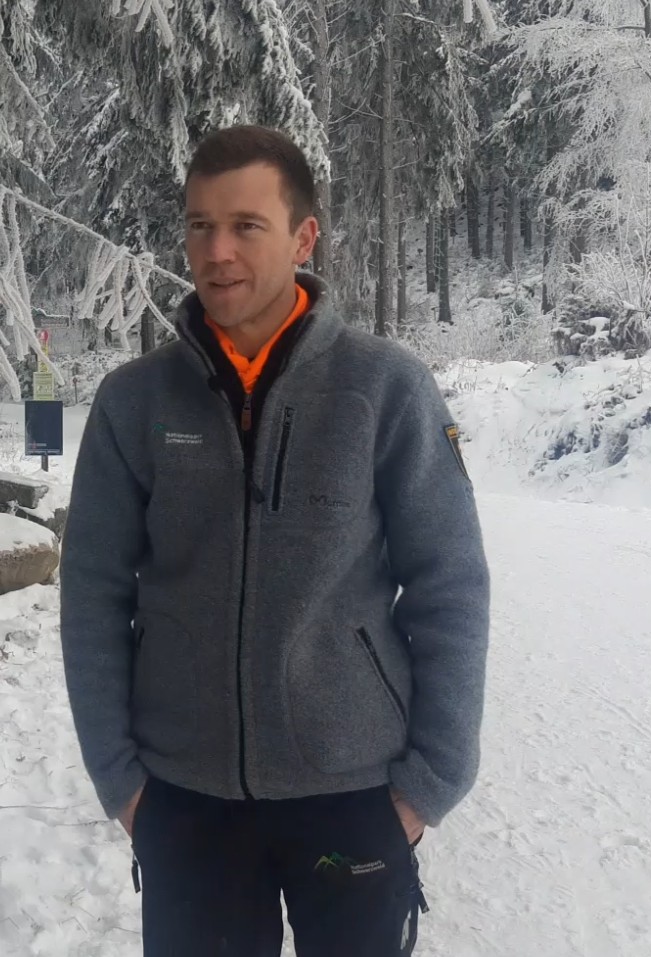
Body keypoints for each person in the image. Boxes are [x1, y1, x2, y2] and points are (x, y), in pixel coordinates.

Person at [60, 125, 490, 957]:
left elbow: (450, 586)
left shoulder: (385, 388)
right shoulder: (132, 402)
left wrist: (428, 784)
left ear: (303, 236)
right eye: (198, 225)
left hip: (354, 796)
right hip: (185, 801)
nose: (215, 251)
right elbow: (93, 593)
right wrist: (121, 780)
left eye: (245, 225)